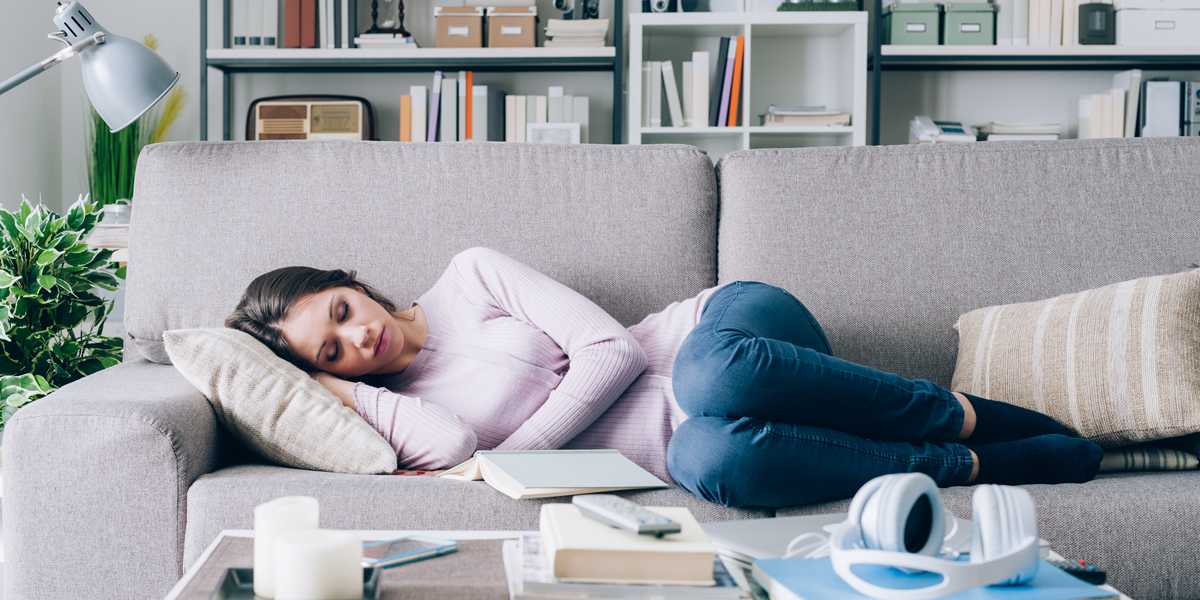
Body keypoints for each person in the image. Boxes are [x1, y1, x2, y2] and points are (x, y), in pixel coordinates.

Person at [226, 247, 1103, 508]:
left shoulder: (469, 277)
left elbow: (612, 354)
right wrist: (349, 397)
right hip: (687, 441)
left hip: (725, 336)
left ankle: (954, 415)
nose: (357, 337)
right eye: (329, 355)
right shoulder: (400, 412)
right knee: (719, 464)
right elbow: (455, 447)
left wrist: (512, 463)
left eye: (339, 310)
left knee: (716, 379)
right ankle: (970, 467)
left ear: (347, 281)